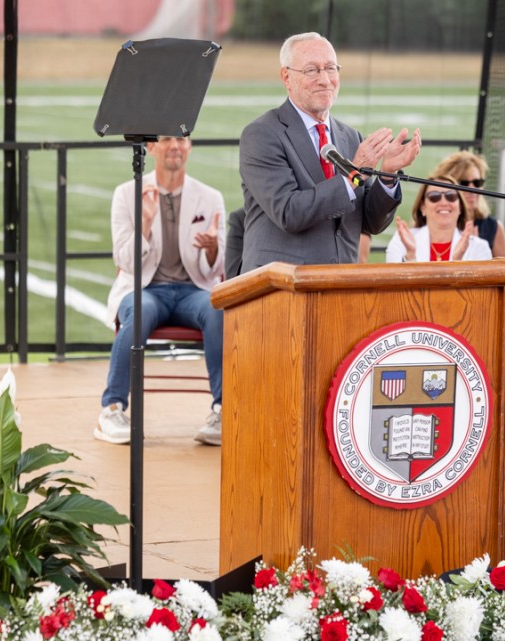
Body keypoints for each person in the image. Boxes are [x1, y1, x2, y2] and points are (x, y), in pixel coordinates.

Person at [238, 32, 421, 272]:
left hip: (339, 281)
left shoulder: (350, 137)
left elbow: (369, 223)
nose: (325, 79)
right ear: (286, 77)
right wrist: (351, 175)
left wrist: (387, 174)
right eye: (312, 70)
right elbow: (288, 212)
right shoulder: (262, 134)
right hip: (280, 283)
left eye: (331, 68)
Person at [98, 136, 227, 446]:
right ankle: (112, 408)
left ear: (190, 147)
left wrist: (211, 249)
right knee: (139, 313)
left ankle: (224, 409)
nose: (175, 146)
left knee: (217, 309)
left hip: (191, 289)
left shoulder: (210, 197)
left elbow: (216, 267)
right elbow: (125, 262)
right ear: (151, 148)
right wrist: (144, 223)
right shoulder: (127, 194)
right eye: (166, 139)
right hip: (145, 288)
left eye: (181, 139)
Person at [385, 176, 493, 263]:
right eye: (434, 196)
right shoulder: (400, 241)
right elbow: (395, 287)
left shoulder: (479, 247)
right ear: (423, 207)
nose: (444, 202)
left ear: (460, 206)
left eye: (451, 196)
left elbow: (479, 290)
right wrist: (410, 256)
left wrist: (457, 261)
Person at [432, 151, 505, 257]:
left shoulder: (494, 228)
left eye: (477, 183)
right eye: (463, 184)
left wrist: (477, 247)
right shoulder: (435, 223)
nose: (472, 189)